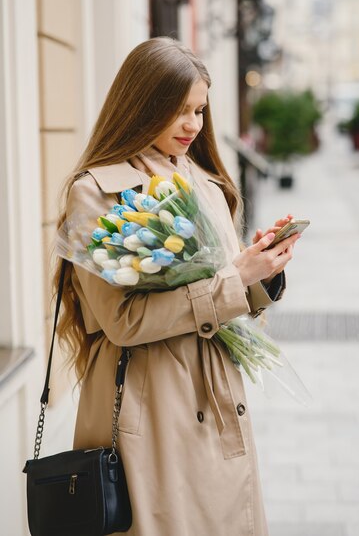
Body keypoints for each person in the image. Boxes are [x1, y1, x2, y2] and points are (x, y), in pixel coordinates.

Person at [54, 37, 299, 536]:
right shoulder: (96, 192)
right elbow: (122, 322)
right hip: (149, 406)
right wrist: (236, 280)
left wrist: (262, 273)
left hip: (217, 399)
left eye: (200, 110)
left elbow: (228, 299)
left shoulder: (206, 184)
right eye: (180, 111)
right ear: (143, 107)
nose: (194, 126)